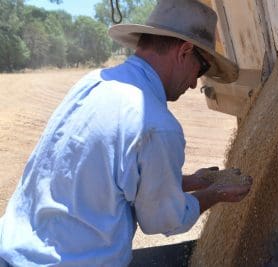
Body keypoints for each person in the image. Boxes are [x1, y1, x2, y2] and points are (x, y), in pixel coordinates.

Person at [0, 0, 252, 266]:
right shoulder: (157, 124)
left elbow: (109, 179)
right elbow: (164, 220)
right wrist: (217, 193)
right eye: (200, 70)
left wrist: (194, 181)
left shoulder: (94, 83)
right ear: (184, 51)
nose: (193, 83)